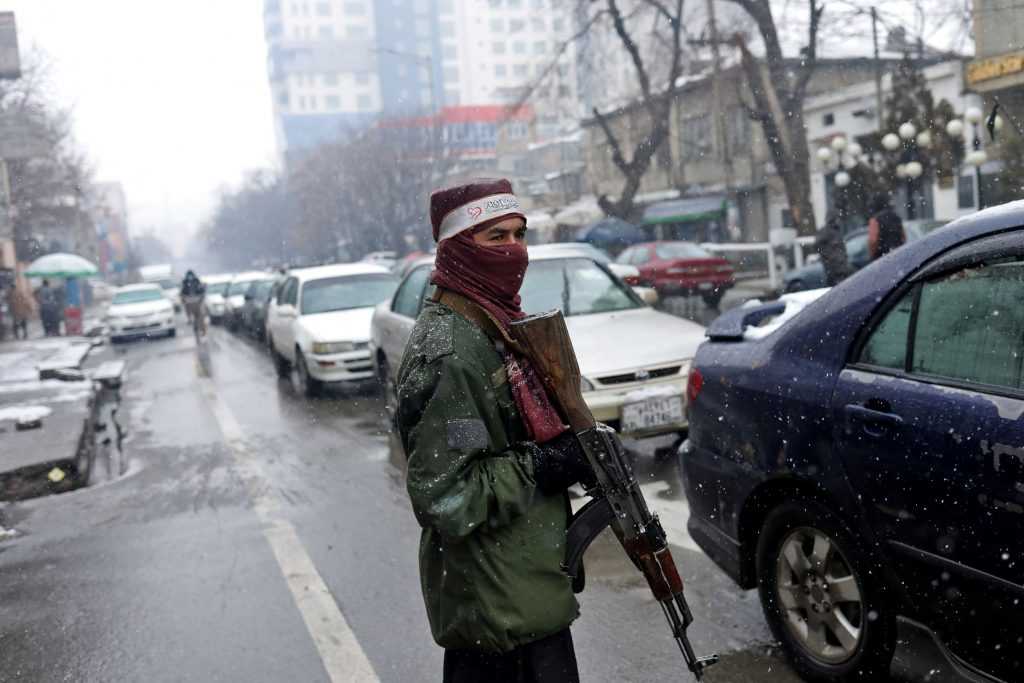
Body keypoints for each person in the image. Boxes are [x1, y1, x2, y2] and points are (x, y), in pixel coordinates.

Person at [396, 179, 592, 683]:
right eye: (496, 237)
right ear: (459, 247)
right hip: (495, 616)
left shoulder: (495, 323)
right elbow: (446, 495)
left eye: (519, 234)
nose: (514, 250)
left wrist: (582, 451)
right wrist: (544, 465)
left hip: (526, 596)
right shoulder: (451, 351)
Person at [815, 210, 853, 286]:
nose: (838, 220)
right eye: (837, 218)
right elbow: (818, 246)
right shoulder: (826, 232)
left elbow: (841, 248)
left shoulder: (836, 231)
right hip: (834, 269)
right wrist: (831, 256)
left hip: (840, 267)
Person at [868, 192, 906, 260]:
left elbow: (873, 241)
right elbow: (903, 237)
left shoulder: (875, 219)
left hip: (882, 258)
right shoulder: (896, 217)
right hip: (899, 254)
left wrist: (872, 255)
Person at [180, 270, 206, 336]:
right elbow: (182, 292)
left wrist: (201, 296)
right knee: (187, 308)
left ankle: (203, 330)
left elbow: (201, 289)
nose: (190, 277)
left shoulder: (196, 281)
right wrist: (183, 299)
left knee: (200, 316)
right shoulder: (185, 282)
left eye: (191, 275)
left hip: (197, 300)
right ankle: (189, 319)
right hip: (189, 301)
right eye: (189, 275)